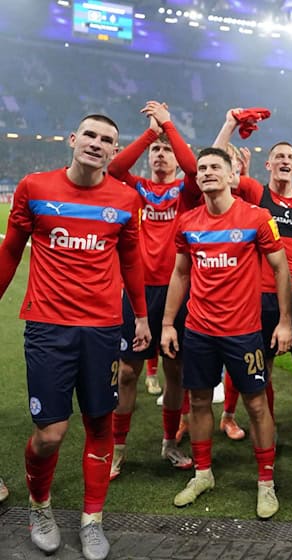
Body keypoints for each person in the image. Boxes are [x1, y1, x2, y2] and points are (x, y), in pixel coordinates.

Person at [0, 114, 150, 560]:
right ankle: (40, 506)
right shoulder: (35, 187)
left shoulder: (125, 199)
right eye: (90, 135)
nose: (97, 144)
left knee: (100, 423)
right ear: (72, 139)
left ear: (112, 150)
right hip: (48, 327)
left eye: (108, 140)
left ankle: (92, 520)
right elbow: (11, 248)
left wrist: (140, 317)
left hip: (103, 329)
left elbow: (131, 260)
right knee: (50, 433)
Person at [161, 147, 292, 520]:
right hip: (198, 330)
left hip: (244, 331)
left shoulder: (257, 217)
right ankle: (203, 474)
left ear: (233, 176)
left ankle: (265, 483)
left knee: (255, 404)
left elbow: (281, 268)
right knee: (199, 402)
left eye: (215, 167)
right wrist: (169, 323)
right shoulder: (187, 221)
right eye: (201, 168)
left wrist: (284, 321)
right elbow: (181, 273)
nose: (206, 172)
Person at [214, 112, 292, 456]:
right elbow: (215, 163)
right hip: (258, 295)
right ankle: (266, 423)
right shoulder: (254, 192)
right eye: (280, 157)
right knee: (264, 366)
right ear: (269, 164)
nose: (285, 161)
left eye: (290, 157)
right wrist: (229, 128)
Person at [106, 100, 197, 480]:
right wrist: (149, 133)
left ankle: (169, 443)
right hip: (138, 292)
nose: (160, 154)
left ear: (174, 157)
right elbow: (114, 167)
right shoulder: (138, 188)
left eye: (165, 150)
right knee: (127, 371)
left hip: (178, 291)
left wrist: (169, 126)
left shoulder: (186, 189)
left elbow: (193, 166)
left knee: (175, 370)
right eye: (155, 150)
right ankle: (118, 448)